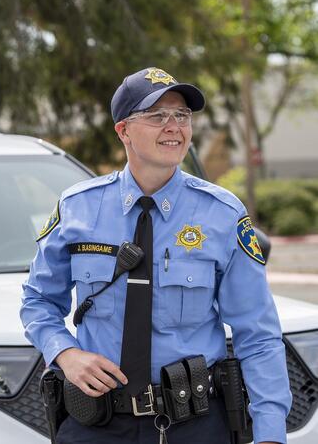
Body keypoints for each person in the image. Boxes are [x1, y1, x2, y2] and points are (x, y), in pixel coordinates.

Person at [21, 67, 291, 444]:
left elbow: (258, 335)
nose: (173, 126)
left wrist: (270, 434)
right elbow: (37, 301)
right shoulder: (78, 208)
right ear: (123, 130)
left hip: (194, 425)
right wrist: (64, 353)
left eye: (182, 116)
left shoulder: (222, 214)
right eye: (157, 116)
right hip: (96, 424)